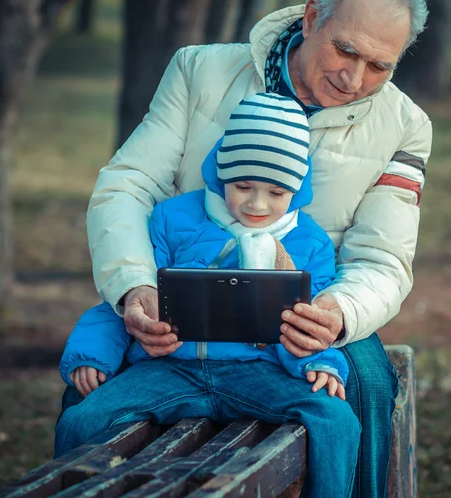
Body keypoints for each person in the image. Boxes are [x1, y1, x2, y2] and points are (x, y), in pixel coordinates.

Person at [79, 0, 432, 498]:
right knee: (88, 390)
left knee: (362, 379)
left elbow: (382, 258)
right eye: (346, 49)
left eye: (380, 66)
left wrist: (337, 314)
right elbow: (128, 185)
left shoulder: (405, 127)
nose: (355, 77)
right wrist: (134, 283)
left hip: (308, 311)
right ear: (313, 17)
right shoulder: (201, 71)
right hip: (182, 300)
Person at [55, 93, 360, 498]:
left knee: (336, 420)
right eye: (243, 185)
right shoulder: (173, 218)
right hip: (167, 368)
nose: (256, 204)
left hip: (259, 370)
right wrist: (93, 354)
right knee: (81, 421)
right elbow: (131, 299)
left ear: (297, 188)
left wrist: (321, 361)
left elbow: (309, 322)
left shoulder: (311, 243)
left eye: (276, 192)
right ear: (221, 173)